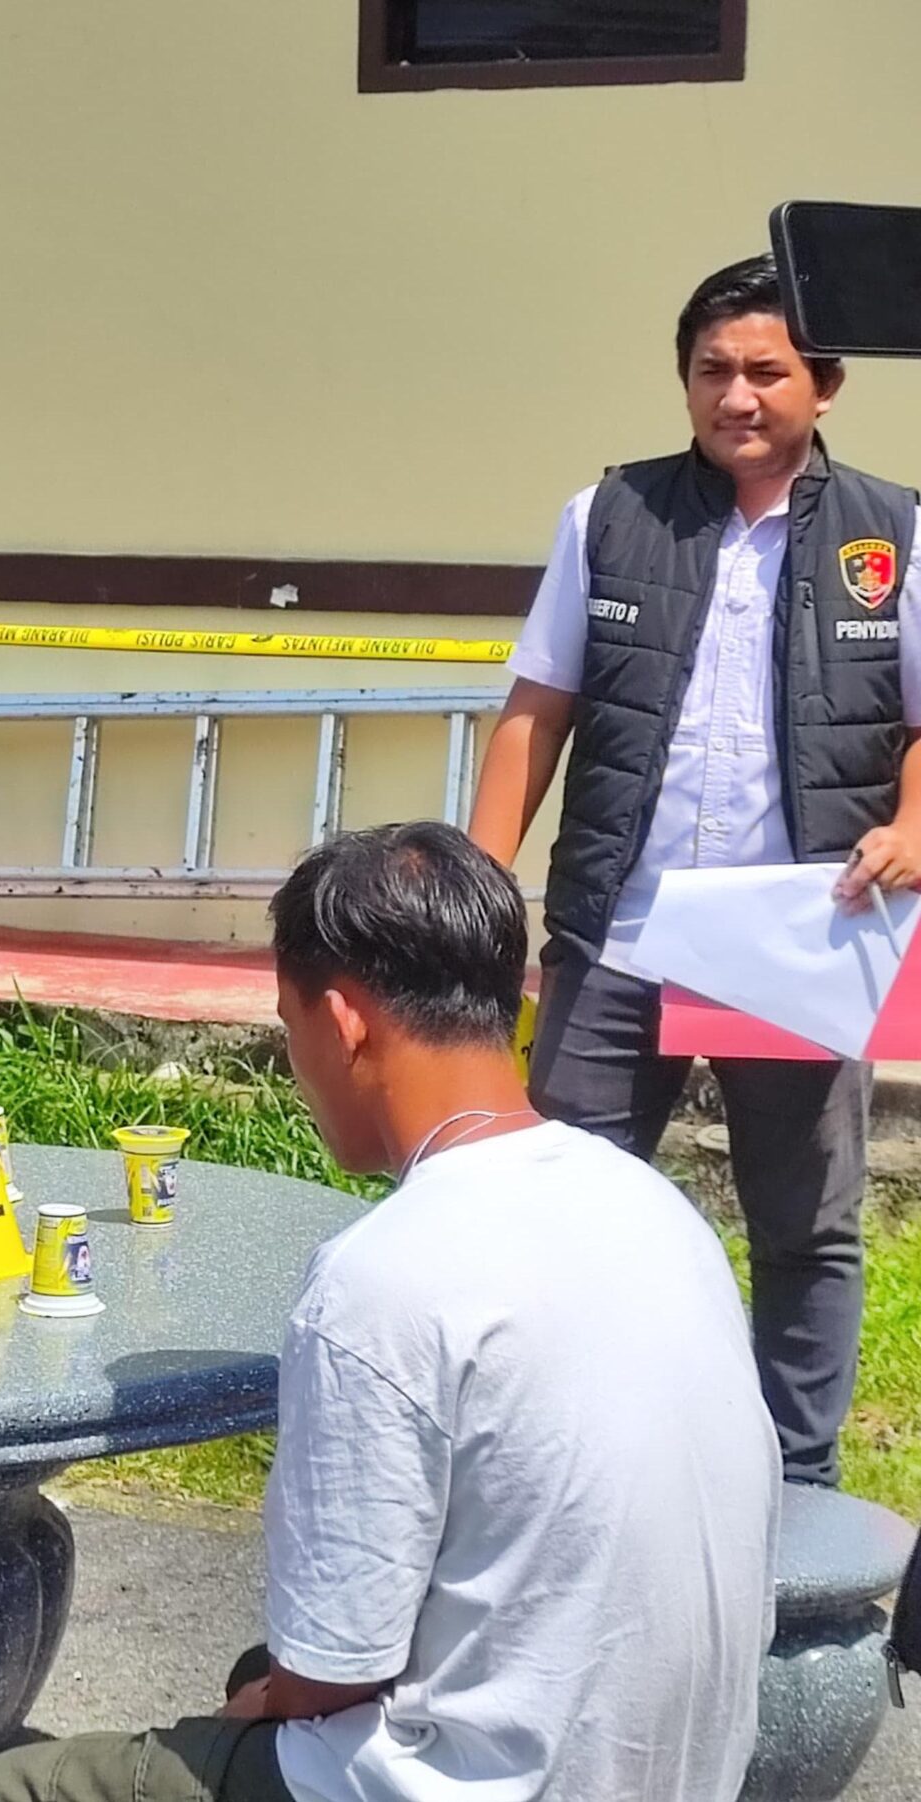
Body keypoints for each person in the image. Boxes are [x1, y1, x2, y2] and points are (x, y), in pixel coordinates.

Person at [0, 822, 781, 1802]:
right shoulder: (657, 1208)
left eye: (290, 1027)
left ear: (342, 1021)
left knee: (12, 1782)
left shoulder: (381, 1278)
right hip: (681, 1765)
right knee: (255, 1672)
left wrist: (266, 1705)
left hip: (496, 1781)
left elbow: (332, 1666)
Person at [468, 252, 921, 1488]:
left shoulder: (893, 532)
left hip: (793, 937)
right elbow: (536, 712)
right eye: (711, 369)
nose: (736, 394)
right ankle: (567, 1464)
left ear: (823, 384)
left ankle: (793, 1482)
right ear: (682, 380)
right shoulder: (608, 515)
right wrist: (474, 886)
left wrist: (911, 821)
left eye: (765, 370)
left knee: (804, 1227)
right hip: (620, 930)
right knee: (567, 1211)